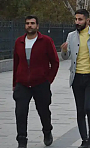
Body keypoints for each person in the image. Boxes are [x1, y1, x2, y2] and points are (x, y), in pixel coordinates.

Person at [61, 9, 90, 148]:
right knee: (80, 110)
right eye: (76, 19)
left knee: (89, 107)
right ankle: (84, 140)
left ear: (87, 21)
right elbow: (66, 57)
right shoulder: (71, 36)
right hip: (76, 77)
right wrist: (64, 51)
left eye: (80, 19)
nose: (77, 22)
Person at [13, 16, 59, 148]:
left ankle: (47, 130)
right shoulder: (19, 42)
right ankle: (22, 140)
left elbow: (55, 62)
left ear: (37, 26)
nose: (29, 26)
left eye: (32, 23)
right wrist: (15, 83)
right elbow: (16, 63)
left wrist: (48, 80)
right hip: (22, 83)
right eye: (27, 23)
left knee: (43, 110)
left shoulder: (45, 41)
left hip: (40, 83)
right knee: (20, 112)